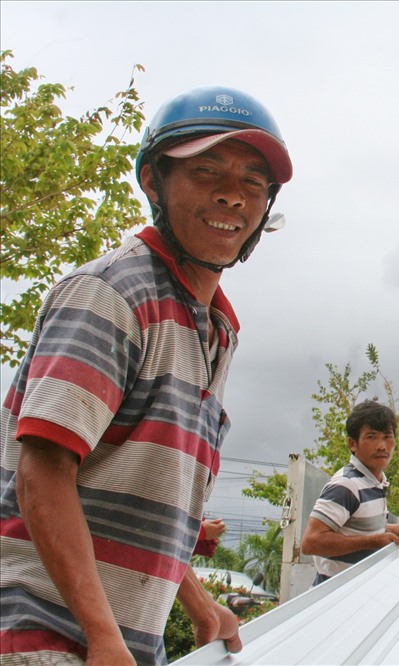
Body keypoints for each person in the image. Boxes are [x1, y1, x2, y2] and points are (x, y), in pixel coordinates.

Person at [0, 85, 293, 664]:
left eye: (253, 182)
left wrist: (197, 601)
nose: (232, 196)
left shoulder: (213, 328)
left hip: (118, 641)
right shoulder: (112, 294)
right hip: (46, 639)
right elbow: (42, 474)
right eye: (206, 170)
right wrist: (102, 637)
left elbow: (141, 502)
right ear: (153, 182)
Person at [302, 400, 399, 585]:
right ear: (352, 444)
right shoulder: (346, 485)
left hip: (360, 592)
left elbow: (351, 527)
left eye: (387, 437)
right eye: (371, 437)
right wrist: (373, 541)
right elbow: (311, 542)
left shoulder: (375, 481)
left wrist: (387, 530)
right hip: (335, 596)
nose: (382, 446)